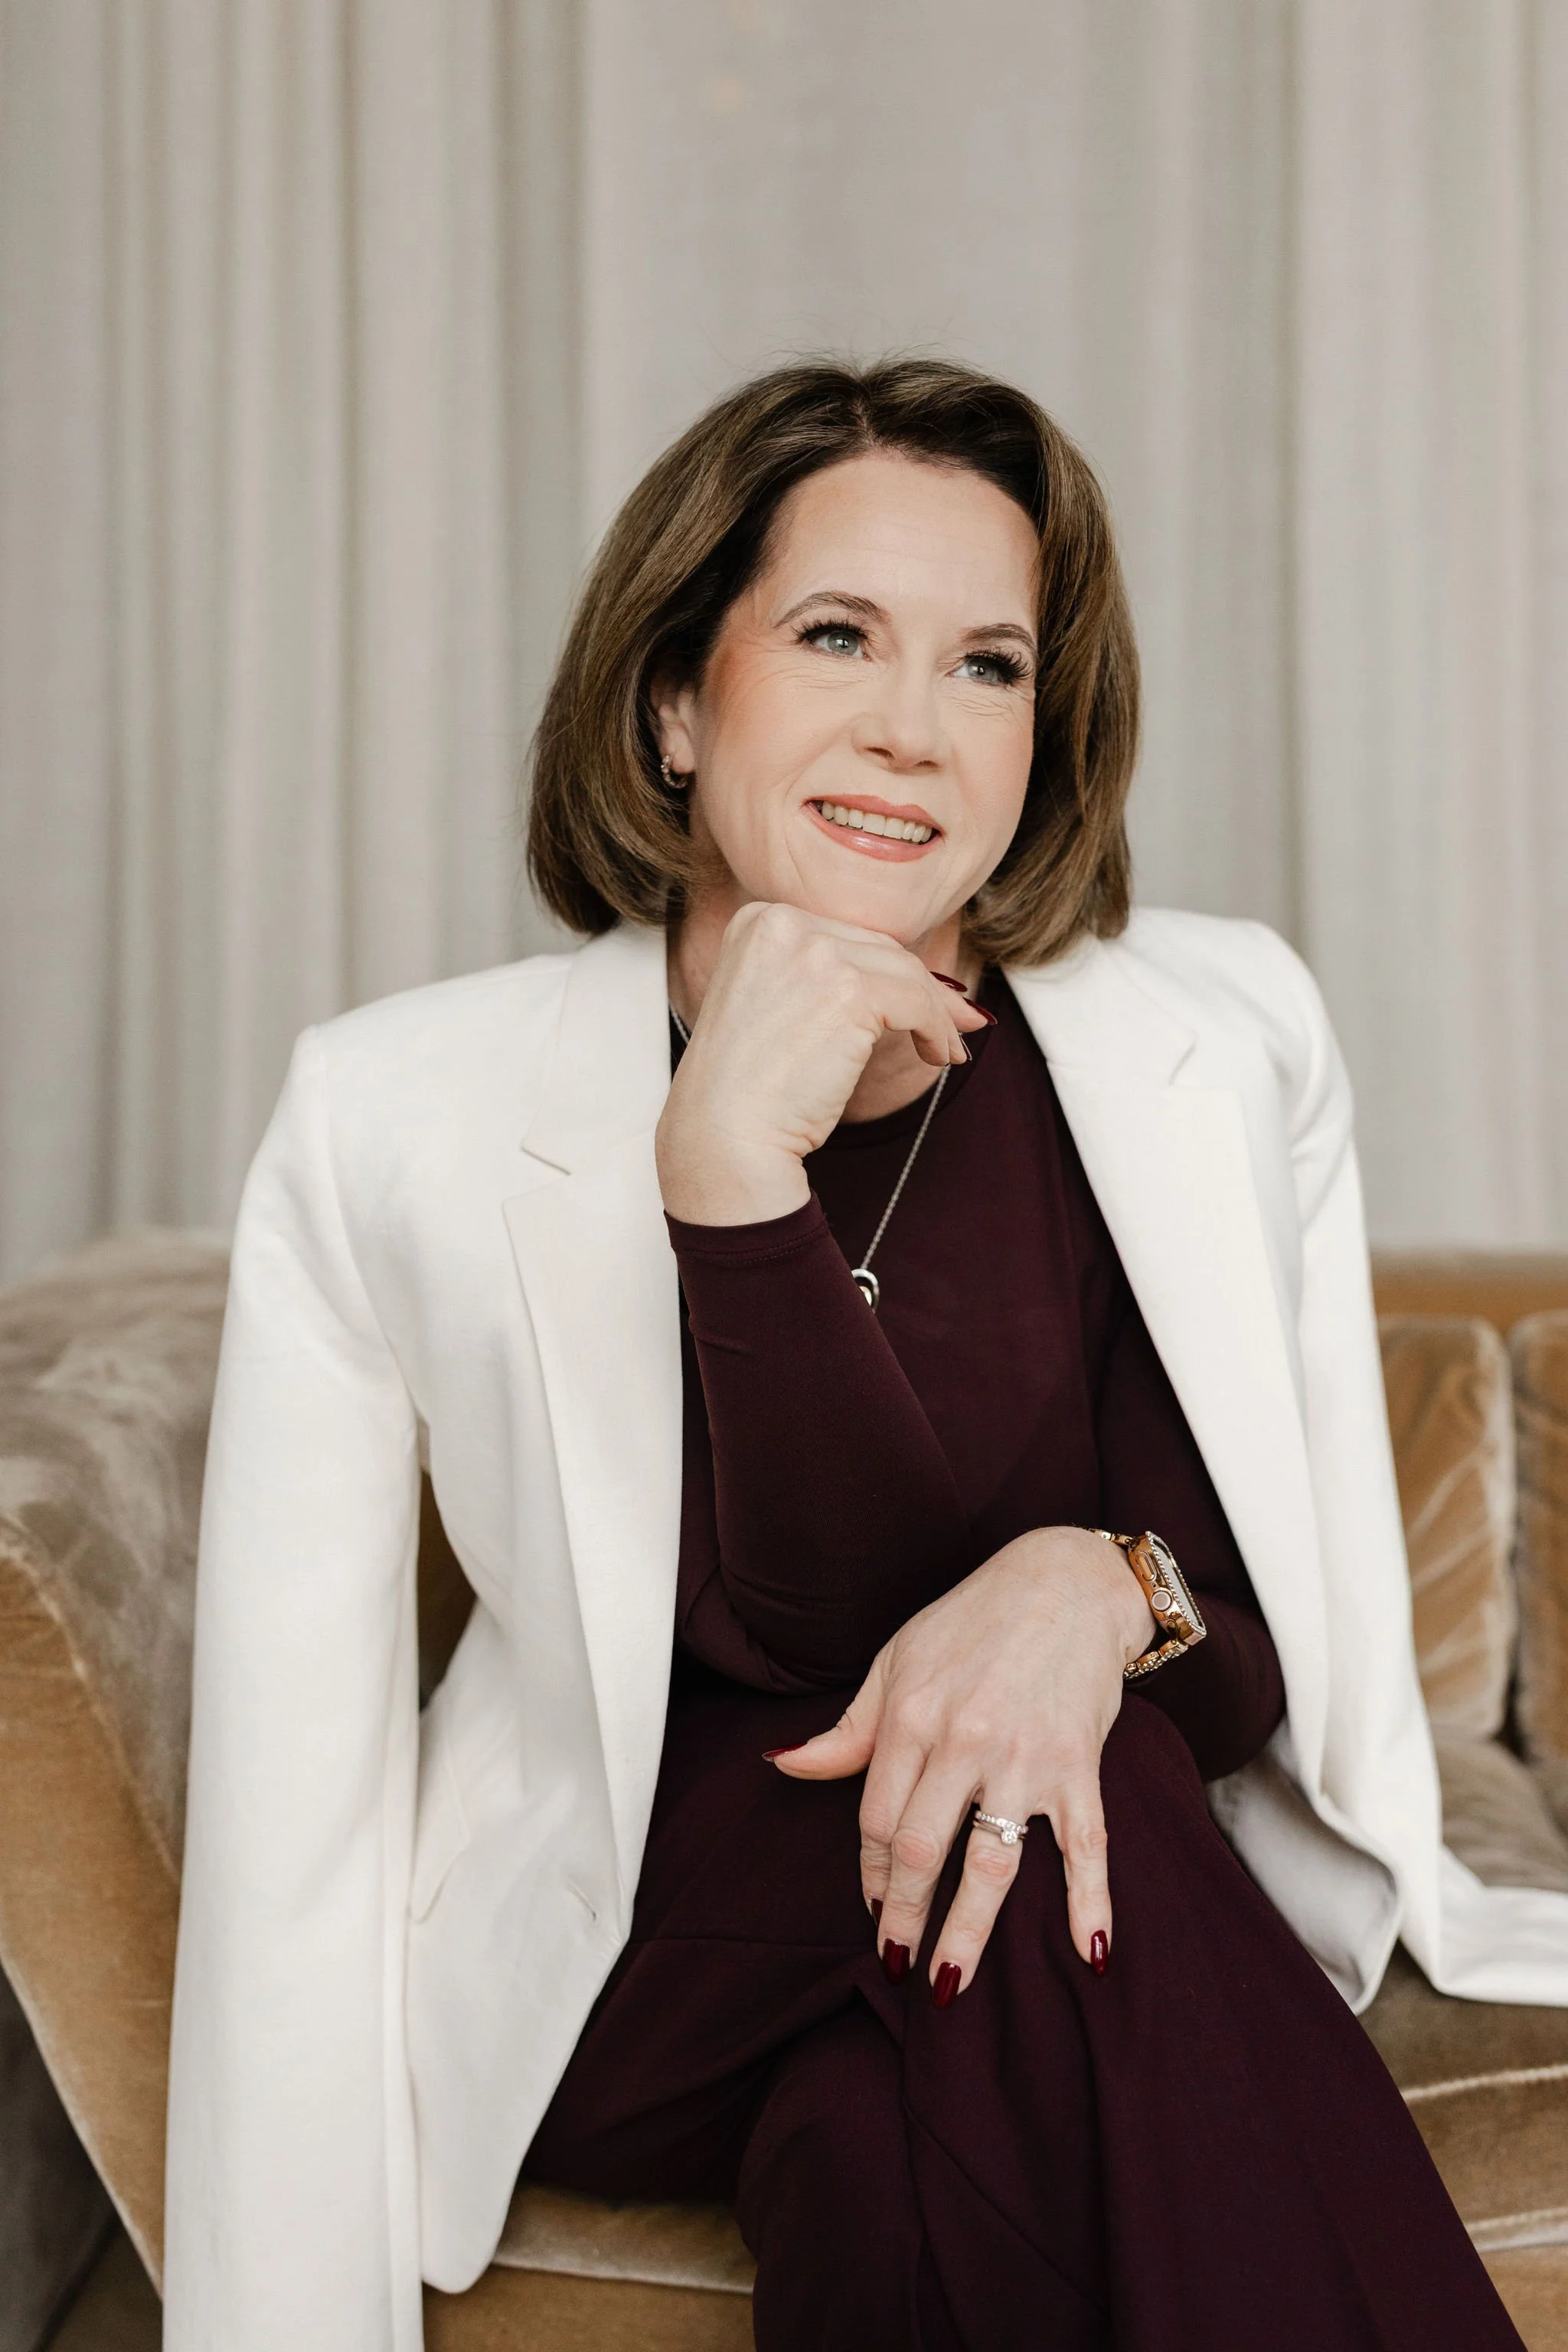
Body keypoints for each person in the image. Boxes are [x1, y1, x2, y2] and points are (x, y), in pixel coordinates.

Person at [165, 359, 1564, 2352]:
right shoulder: (387, 1112)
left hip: (982, 1958)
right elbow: (286, 1815)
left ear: (1039, 731)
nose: (913, 727)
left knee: (885, 2157)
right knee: (1070, 1807)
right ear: (674, 696)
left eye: (988, 665)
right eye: (838, 635)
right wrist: (732, 1168)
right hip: (645, 1946)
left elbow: (1270, 1633)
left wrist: (1088, 1591)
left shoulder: (1219, 1034)